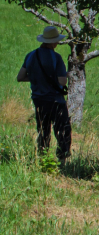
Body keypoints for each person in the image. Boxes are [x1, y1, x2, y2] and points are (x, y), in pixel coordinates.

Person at [17, 26, 71, 161]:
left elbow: (20, 77)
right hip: (55, 100)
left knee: (43, 130)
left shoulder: (30, 55)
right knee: (63, 130)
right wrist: (67, 74)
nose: (57, 43)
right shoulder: (56, 57)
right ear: (52, 42)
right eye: (56, 41)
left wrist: (36, 77)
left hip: (38, 99)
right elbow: (62, 81)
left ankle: (43, 157)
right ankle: (62, 159)